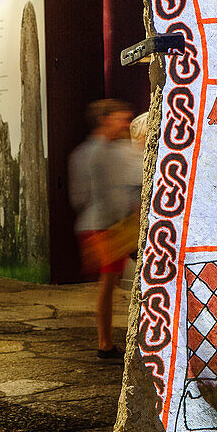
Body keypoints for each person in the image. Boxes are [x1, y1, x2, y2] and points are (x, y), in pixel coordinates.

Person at [69, 99, 141, 361]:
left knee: (110, 285)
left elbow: (79, 195)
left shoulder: (91, 152)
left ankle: (107, 341)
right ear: (105, 119)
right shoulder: (100, 153)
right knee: (109, 284)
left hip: (110, 225)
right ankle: (105, 342)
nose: (124, 124)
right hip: (108, 227)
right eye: (120, 118)